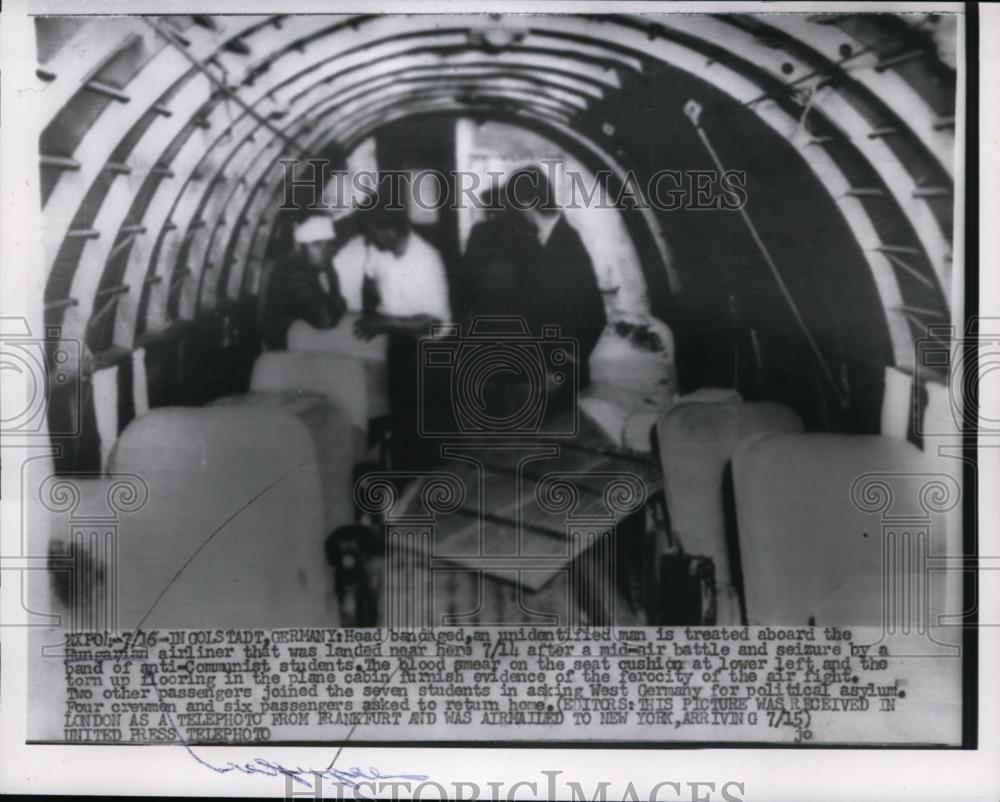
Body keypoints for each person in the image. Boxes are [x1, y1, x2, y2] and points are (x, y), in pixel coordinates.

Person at [354, 200, 451, 471]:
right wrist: (371, 310)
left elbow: (432, 323)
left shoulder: (426, 260)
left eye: (372, 232)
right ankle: (406, 490)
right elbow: (370, 279)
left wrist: (385, 321)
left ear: (392, 231)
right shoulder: (377, 248)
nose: (368, 238)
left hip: (431, 351)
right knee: (402, 424)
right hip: (399, 344)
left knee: (428, 432)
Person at [505, 166, 607, 389]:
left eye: (514, 206)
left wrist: (562, 365)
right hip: (542, 361)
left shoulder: (568, 245)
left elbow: (592, 316)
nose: (516, 214)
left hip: (563, 369)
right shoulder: (535, 239)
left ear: (526, 202)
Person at [262, 215, 346, 350]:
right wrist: (336, 292)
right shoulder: (296, 275)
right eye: (316, 244)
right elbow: (327, 321)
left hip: (296, 337)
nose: (324, 252)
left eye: (327, 244)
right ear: (300, 247)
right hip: (284, 348)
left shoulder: (301, 266)